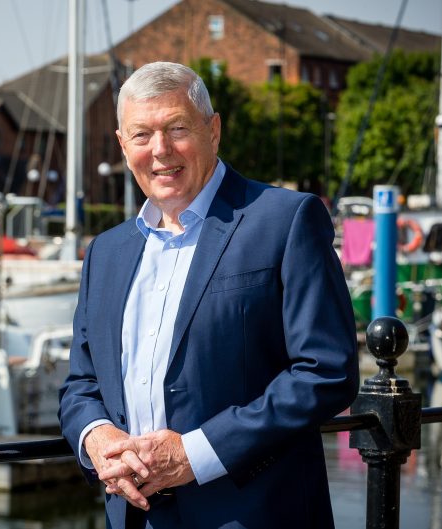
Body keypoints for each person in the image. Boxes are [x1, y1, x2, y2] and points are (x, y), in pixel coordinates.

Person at [58, 61, 359, 529]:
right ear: (122, 145)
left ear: (212, 130)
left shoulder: (285, 219)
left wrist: (193, 454)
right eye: (141, 135)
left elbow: (326, 372)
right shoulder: (106, 252)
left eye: (177, 128)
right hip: (134, 518)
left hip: (254, 513)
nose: (160, 150)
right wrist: (98, 440)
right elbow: (81, 384)